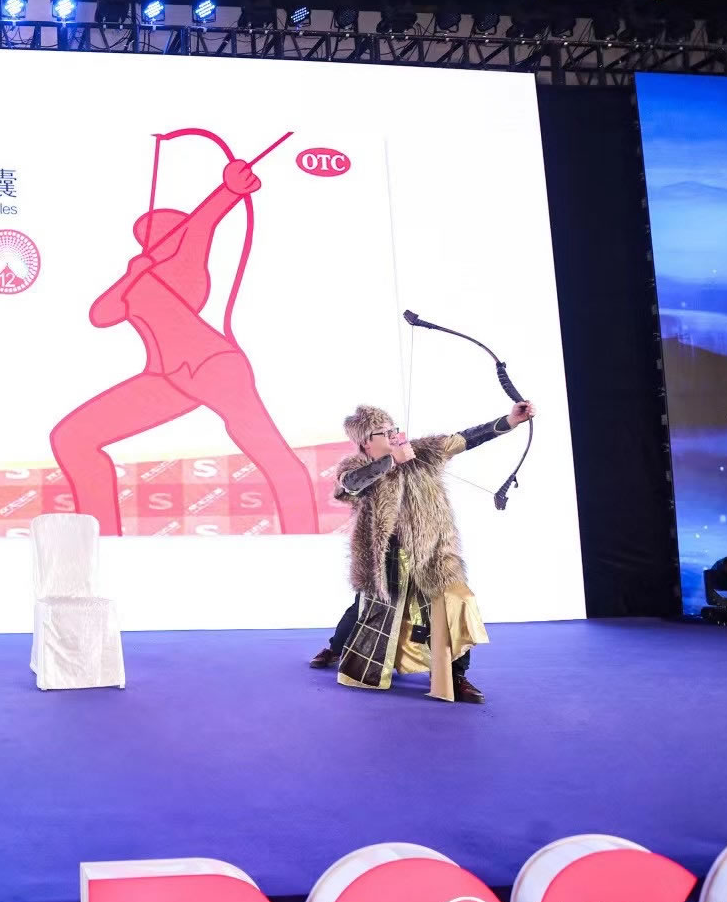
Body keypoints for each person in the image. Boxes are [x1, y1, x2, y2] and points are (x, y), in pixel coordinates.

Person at [49, 154, 318, 536]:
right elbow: (100, 314)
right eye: (148, 235)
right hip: (166, 378)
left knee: (276, 459)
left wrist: (229, 189)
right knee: (72, 438)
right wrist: (131, 274)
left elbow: (203, 223)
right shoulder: (138, 283)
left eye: (165, 232)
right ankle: (104, 542)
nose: (154, 239)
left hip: (213, 367)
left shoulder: (184, 266)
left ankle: (305, 537)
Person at [326, 400, 535, 704]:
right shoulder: (355, 466)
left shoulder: (421, 452)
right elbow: (350, 485)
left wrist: (510, 421)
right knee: (367, 611)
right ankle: (335, 648)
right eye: (384, 432)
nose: (394, 435)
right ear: (366, 442)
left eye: (394, 429)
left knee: (455, 603)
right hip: (387, 558)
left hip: (432, 552)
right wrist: (391, 461)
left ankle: (456, 676)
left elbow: (462, 440)